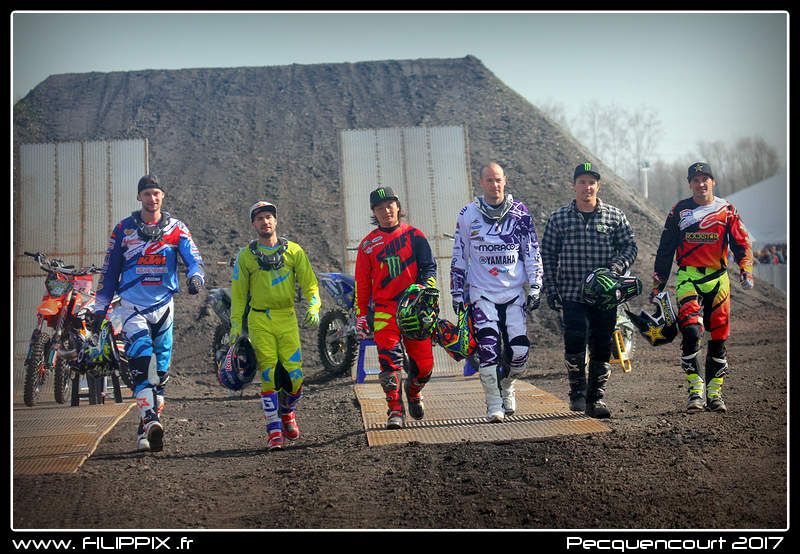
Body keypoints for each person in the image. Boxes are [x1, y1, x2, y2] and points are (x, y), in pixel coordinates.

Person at [92, 174, 205, 452]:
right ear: (139, 197)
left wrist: (195, 278)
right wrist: (99, 309)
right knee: (142, 365)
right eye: (147, 194)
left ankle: (146, 429)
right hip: (132, 308)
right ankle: (151, 418)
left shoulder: (177, 228)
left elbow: (194, 260)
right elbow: (109, 272)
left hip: (164, 307)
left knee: (161, 376)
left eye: (156, 193)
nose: (152, 198)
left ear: (162, 196)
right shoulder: (123, 230)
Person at [652, 162, 753, 413]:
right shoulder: (679, 210)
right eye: (696, 179)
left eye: (705, 178)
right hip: (688, 277)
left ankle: (715, 393)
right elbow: (665, 249)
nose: (701, 183)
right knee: (692, 332)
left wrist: (745, 269)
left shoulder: (727, 209)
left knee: (718, 338)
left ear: (713, 181)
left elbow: (741, 242)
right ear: (690, 184)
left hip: (719, 279)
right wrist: (658, 285)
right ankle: (696, 391)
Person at [540, 162, 638, 418]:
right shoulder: (559, 218)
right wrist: (550, 288)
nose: (587, 187)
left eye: (591, 182)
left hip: (605, 296)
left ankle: (597, 398)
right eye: (582, 182)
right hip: (572, 293)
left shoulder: (614, 216)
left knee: (602, 344)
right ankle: (578, 393)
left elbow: (630, 247)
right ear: (574, 185)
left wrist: (615, 268)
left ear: (598, 185)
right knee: (574, 341)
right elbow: (547, 254)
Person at [450, 162, 543, 422]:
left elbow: (532, 251)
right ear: (481, 183)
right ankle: (493, 403)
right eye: (489, 180)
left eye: (498, 180)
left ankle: (508, 385)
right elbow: (459, 256)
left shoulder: (520, 213)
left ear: (506, 180)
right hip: (482, 294)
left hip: (514, 294)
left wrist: (536, 286)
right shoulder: (468, 214)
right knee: (488, 348)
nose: (495, 185)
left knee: (519, 352)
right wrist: (457, 293)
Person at [229, 200, 321, 451]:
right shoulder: (246, 256)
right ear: (253, 224)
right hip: (259, 319)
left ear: (276, 220)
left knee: (296, 377)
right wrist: (235, 324)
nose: (265, 221)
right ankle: (273, 431)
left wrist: (314, 307)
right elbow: (238, 294)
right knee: (268, 373)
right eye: (260, 218)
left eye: (269, 217)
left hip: (287, 318)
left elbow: (310, 283)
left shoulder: (294, 251)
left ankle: (287, 411)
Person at [354, 186, 437, 429]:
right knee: (389, 361)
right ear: (374, 213)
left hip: (413, 309)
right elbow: (362, 282)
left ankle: (413, 392)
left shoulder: (415, 236)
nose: (386, 211)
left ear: (398, 207)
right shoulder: (368, 245)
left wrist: (424, 292)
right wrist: (361, 314)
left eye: (390, 206)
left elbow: (429, 268)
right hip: (384, 310)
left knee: (425, 368)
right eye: (380, 208)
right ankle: (394, 410)